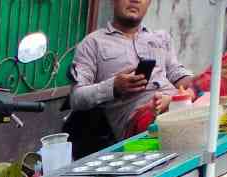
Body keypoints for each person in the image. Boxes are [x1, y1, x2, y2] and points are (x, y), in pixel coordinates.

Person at [70, 0, 194, 143]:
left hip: (178, 103)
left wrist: (196, 84)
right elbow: (76, 98)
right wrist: (114, 86)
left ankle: (175, 102)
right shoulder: (92, 43)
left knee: (223, 69)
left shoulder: (161, 38)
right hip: (140, 120)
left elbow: (177, 74)